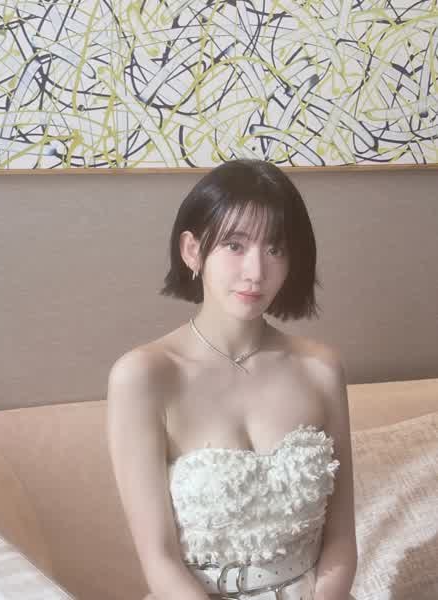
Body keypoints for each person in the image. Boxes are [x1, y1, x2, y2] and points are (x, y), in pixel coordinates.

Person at [106, 159, 358, 600]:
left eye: (276, 249)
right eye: (235, 245)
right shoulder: (144, 376)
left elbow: (341, 539)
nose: (256, 271)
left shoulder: (321, 369)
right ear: (192, 251)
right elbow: (159, 559)